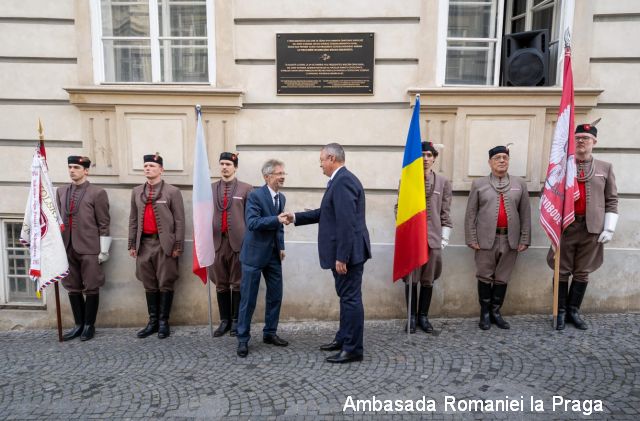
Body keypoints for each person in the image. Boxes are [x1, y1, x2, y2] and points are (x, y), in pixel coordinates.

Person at [289, 143, 371, 364]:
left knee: (350, 299)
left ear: (332, 158)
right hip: (347, 251)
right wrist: (295, 217)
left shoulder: (343, 181)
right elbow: (327, 213)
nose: (320, 165)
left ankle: (353, 349)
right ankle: (344, 338)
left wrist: (342, 256)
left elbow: (347, 222)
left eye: (322, 160)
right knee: (346, 298)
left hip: (348, 254)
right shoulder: (340, 180)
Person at [547, 123, 618, 330]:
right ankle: (559, 311)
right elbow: (550, 196)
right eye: (577, 138)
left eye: (586, 138)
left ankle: (573, 311)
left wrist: (609, 228)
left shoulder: (605, 168)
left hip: (591, 228)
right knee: (561, 270)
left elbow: (612, 199)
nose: (581, 141)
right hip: (566, 227)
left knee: (582, 272)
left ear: (594, 142)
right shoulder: (562, 166)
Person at [464, 145, 531, 330]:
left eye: (505, 157)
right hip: (486, 239)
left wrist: (524, 238)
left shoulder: (519, 184)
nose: (502, 160)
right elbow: (471, 213)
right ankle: (484, 313)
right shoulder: (479, 184)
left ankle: (496, 312)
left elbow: (525, 213)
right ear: (490, 162)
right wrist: (471, 237)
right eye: (497, 158)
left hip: (510, 239)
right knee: (485, 275)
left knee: (502, 277)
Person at [396, 142, 452, 333]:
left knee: (428, 279)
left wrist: (444, 237)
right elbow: (399, 208)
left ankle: (423, 317)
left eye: (429, 155)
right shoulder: (407, 179)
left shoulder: (443, 182)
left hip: (433, 239)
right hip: (412, 240)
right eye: (422, 155)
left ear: (434, 158)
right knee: (411, 279)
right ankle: (411, 317)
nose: (426, 158)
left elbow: (445, 211)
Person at [236, 159, 290, 358]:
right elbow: (252, 223)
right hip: (253, 255)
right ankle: (242, 339)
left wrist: (281, 246)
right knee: (248, 299)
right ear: (267, 177)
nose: (283, 176)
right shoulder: (255, 195)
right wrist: (276, 219)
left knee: (275, 295)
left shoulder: (281, 198)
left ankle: (270, 333)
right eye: (279, 173)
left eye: (284, 173)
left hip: (274, 255)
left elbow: (280, 225)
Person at [128, 153, 185, 339]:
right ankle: (152, 322)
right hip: (143, 244)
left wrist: (178, 245)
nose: (148, 168)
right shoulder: (136, 192)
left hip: (164, 245)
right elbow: (133, 220)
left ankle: (163, 322)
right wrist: (131, 244)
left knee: (165, 282)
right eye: (145, 165)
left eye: (152, 166)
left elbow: (179, 221)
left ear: (161, 169)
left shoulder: (172, 192)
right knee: (149, 283)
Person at [57, 155, 111, 341]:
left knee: (91, 286)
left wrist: (103, 250)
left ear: (86, 171)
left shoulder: (97, 192)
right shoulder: (61, 191)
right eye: (70, 167)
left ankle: (89, 325)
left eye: (76, 168)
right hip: (67, 245)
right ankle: (78, 325)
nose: (72, 170)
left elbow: (104, 223)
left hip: (89, 247)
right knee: (72, 287)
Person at [210, 152, 252, 337]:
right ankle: (224, 321)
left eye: (228, 163)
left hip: (238, 243)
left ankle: (236, 321)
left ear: (235, 167)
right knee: (221, 283)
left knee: (237, 283)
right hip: (217, 243)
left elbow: (250, 219)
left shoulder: (247, 189)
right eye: (222, 163)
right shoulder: (210, 189)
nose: (224, 167)